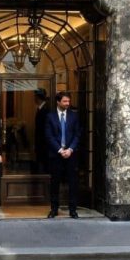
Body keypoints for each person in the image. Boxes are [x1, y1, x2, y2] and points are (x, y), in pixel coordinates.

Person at [45, 91, 81, 219]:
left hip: (71, 155)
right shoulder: (50, 116)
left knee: (73, 183)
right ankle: (54, 209)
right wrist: (60, 150)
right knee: (55, 183)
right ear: (58, 102)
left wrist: (70, 149)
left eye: (68, 101)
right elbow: (49, 136)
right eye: (65, 101)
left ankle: (73, 210)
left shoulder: (74, 116)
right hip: (56, 155)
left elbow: (78, 134)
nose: (67, 104)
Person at [33, 88, 50, 174]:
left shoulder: (46, 109)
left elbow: (44, 128)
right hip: (41, 143)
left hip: (44, 143)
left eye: (34, 96)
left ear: (37, 97)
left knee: (45, 165)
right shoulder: (41, 108)